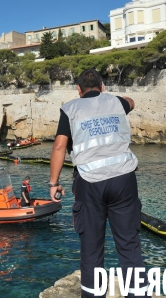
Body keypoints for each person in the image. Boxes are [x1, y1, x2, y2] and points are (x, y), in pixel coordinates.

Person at [49, 69, 146, 298]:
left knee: (92, 249)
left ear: (78, 90)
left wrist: (54, 183)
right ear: (102, 87)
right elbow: (132, 102)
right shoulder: (116, 102)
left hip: (90, 183)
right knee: (129, 244)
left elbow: (60, 147)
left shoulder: (70, 108)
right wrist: (109, 99)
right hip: (124, 179)